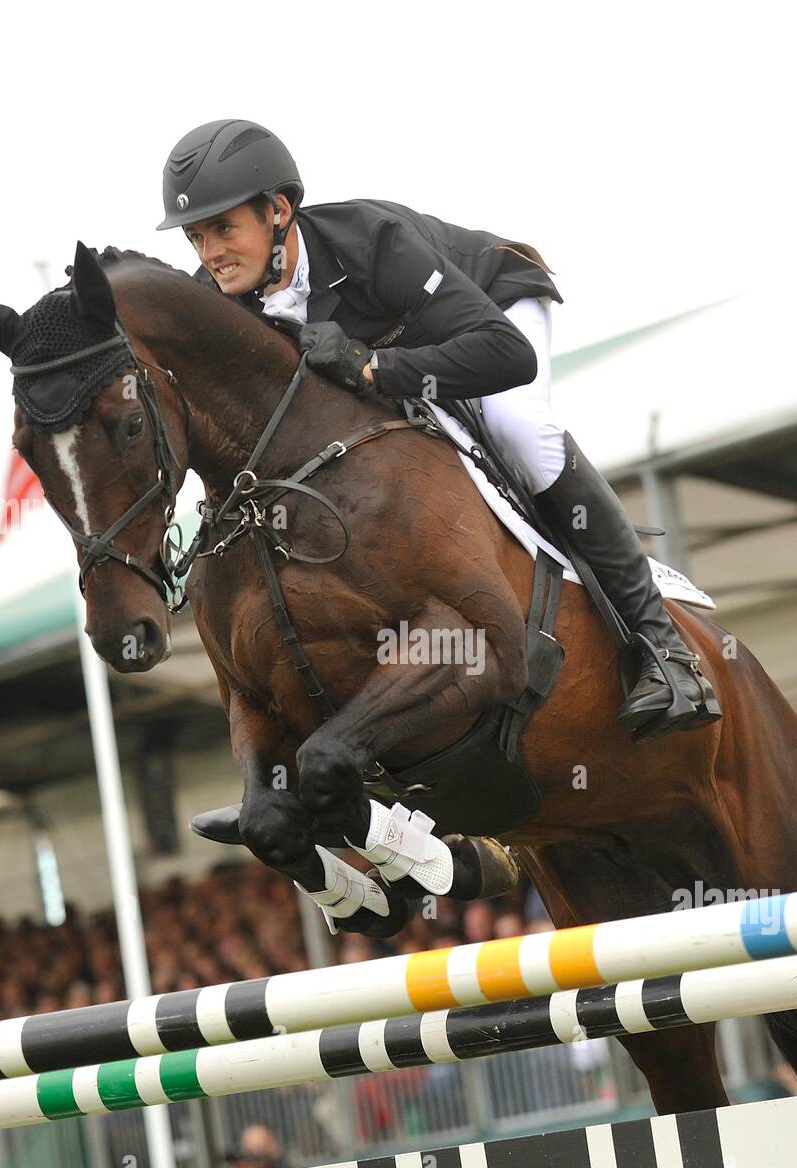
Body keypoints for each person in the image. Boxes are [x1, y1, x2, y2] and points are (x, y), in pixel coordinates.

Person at [157, 119, 719, 742]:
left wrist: (376, 368)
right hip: (419, 365)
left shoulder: (371, 242)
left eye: (224, 229)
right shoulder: (220, 301)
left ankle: (667, 651)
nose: (210, 253)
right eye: (197, 236)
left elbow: (506, 355)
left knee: (519, 429)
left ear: (279, 211)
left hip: (494, 310)